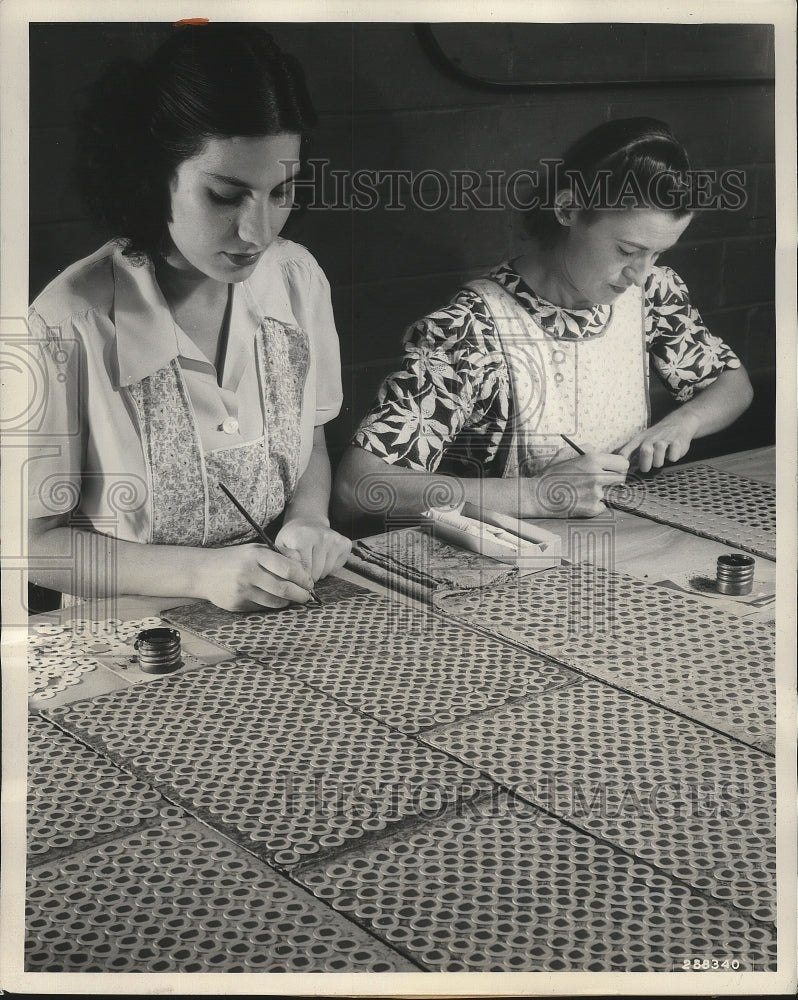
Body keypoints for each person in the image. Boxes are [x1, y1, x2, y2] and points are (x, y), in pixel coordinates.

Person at [27, 24, 351, 612]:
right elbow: (32, 545)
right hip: (134, 648)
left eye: (282, 192)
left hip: (285, 617)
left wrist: (308, 519)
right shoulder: (64, 322)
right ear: (154, 177)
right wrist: (200, 575)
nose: (258, 233)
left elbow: (313, 441)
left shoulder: (298, 279)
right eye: (225, 196)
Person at [333, 117, 753, 526]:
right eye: (627, 250)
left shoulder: (651, 295)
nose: (640, 274)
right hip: (502, 563)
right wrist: (538, 493)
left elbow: (732, 384)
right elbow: (357, 486)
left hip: (618, 537)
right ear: (569, 209)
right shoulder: (472, 330)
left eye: (657, 254)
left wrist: (684, 422)